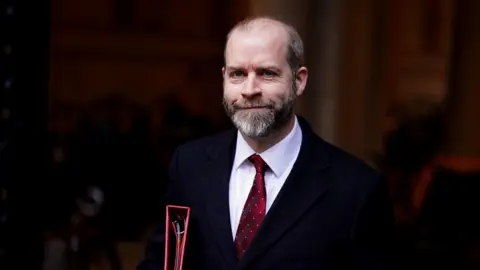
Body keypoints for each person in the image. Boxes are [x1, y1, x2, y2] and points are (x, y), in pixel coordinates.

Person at [137, 16, 395, 270]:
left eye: (267, 73)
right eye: (238, 74)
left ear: (299, 80)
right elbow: (164, 260)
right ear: (224, 77)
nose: (250, 89)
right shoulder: (190, 164)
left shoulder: (356, 189)